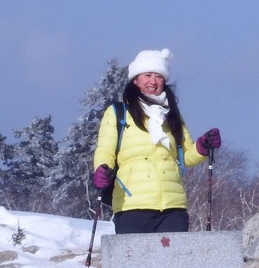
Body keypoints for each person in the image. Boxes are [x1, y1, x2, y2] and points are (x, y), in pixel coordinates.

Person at [91, 48, 220, 234]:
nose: (153, 81)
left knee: (173, 262)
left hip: (173, 206)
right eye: (147, 75)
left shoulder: (172, 115)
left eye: (158, 76)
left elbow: (186, 157)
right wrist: (101, 169)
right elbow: (105, 150)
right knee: (135, 261)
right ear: (135, 79)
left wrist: (202, 146)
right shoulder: (119, 112)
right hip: (132, 205)